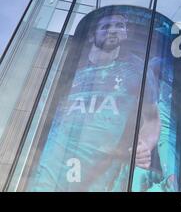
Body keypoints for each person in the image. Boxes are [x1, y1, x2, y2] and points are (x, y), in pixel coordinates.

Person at [28, 10, 161, 191]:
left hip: (103, 172)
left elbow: (152, 118)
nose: (113, 30)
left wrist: (144, 145)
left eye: (119, 26)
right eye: (106, 26)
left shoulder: (138, 69)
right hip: (52, 166)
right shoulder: (71, 68)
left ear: (125, 33)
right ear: (92, 36)